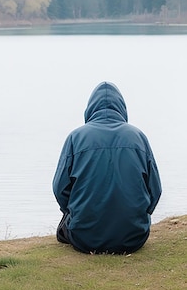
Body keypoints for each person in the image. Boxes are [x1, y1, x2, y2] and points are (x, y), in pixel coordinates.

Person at [53, 81, 162, 254]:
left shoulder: (75, 137)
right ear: (122, 107)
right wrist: (143, 213)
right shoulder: (138, 137)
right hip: (134, 237)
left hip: (84, 239)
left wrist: (71, 211)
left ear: (90, 108)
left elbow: (60, 188)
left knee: (63, 229)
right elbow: (155, 190)